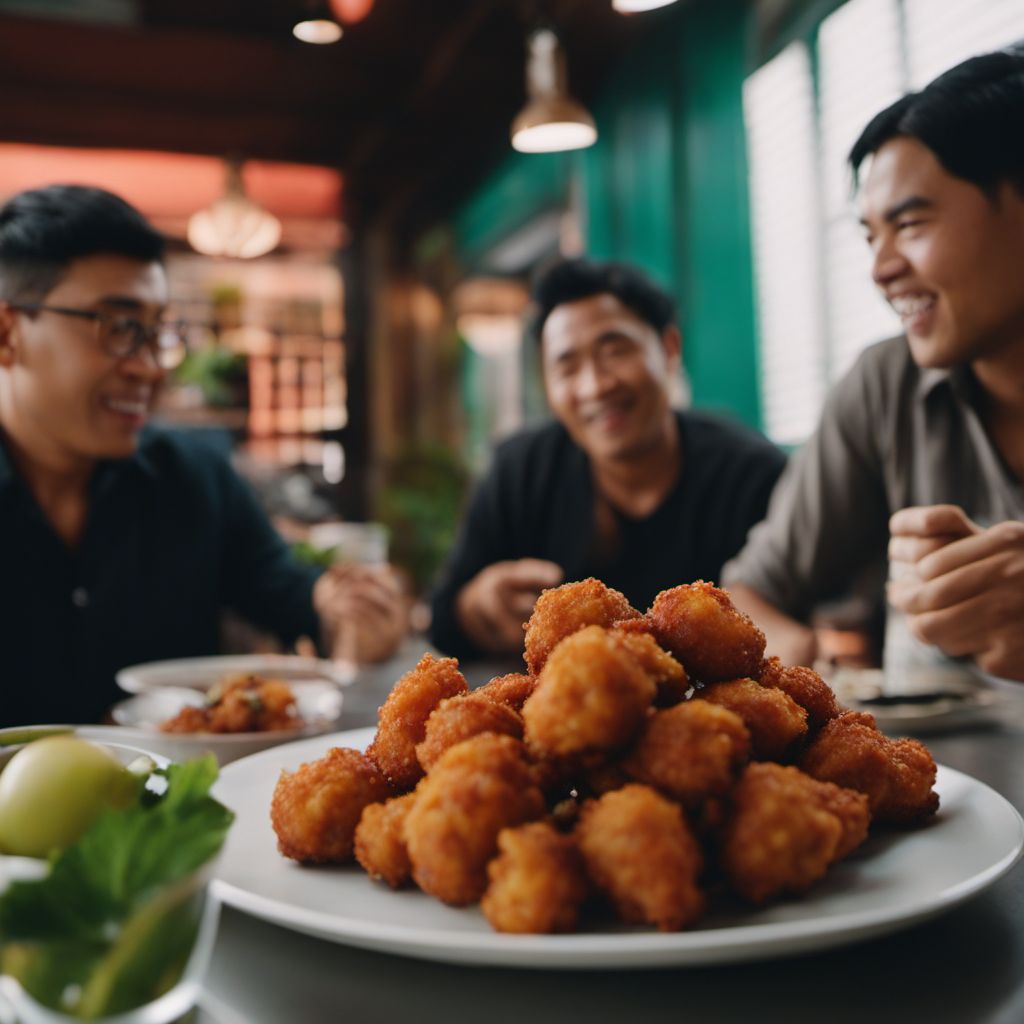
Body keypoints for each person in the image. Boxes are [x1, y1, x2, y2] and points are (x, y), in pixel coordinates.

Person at [0, 184, 406, 727]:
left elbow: (294, 599)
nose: (150, 367)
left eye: (155, 332)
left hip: (184, 808)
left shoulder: (194, 478)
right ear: (8, 334)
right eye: (119, 328)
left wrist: (351, 612)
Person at [723, 49, 1024, 684]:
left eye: (910, 224)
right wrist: (827, 671)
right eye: (869, 236)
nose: (880, 271)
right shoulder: (886, 385)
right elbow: (748, 596)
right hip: (960, 783)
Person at [429, 258, 786, 660]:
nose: (595, 385)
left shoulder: (750, 475)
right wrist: (478, 605)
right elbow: (443, 618)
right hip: (555, 717)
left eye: (615, 351)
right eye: (567, 366)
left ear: (669, 348)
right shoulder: (521, 471)